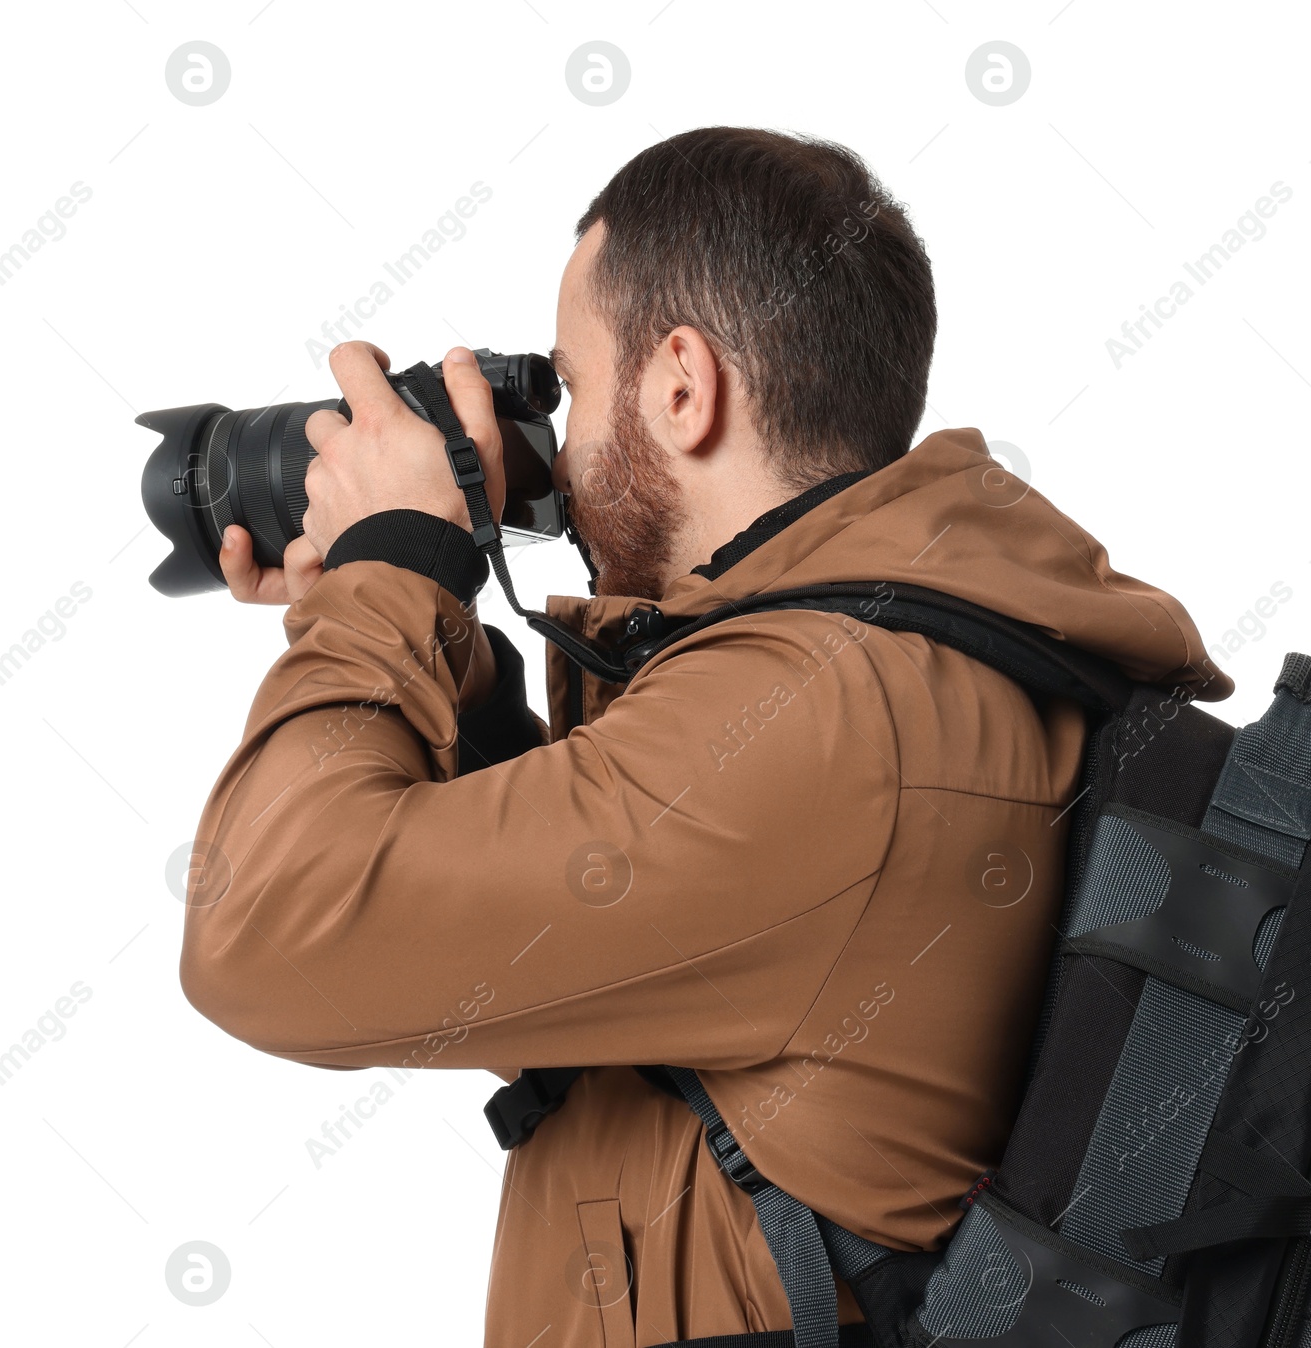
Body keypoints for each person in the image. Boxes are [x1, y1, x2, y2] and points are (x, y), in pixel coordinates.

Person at [180, 126, 1229, 1348]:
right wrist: (411, 628)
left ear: (683, 384)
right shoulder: (908, 665)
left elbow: (266, 931)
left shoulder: (828, 719)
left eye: (571, 383)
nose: (557, 450)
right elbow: (568, 912)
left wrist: (388, 574)